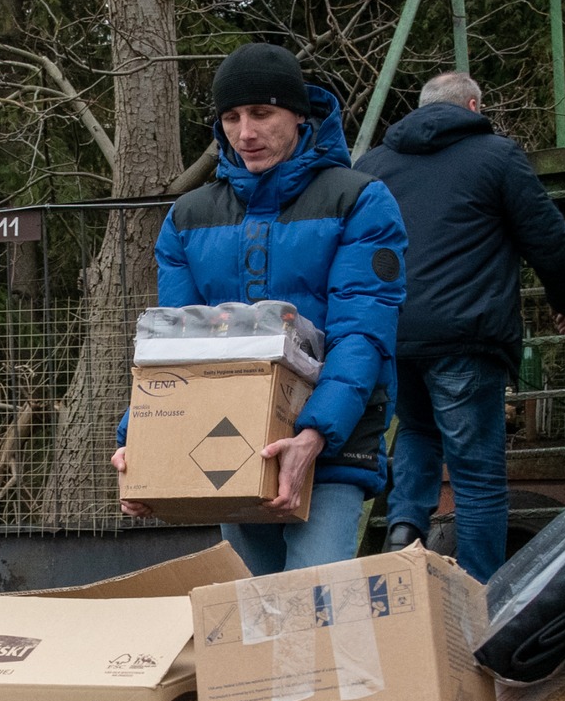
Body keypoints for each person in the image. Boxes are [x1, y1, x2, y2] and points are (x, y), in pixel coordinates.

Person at [113, 43, 407, 575]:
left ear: (299, 113)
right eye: (231, 117)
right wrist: (142, 437)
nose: (245, 133)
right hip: (229, 443)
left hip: (333, 441)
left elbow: (363, 333)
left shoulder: (360, 200)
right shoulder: (187, 218)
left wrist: (316, 433)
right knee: (256, 617)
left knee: (317, 604)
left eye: (262, 113)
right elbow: (179, 349)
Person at [355, 70, 565, 584]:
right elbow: (551, 240)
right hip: (465, 335)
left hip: (393, 332)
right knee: (478, 475)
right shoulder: (497, 156)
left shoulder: (372, 166)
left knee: (415, 429)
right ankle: (481, 595)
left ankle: (403, 530)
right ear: (473, 107)